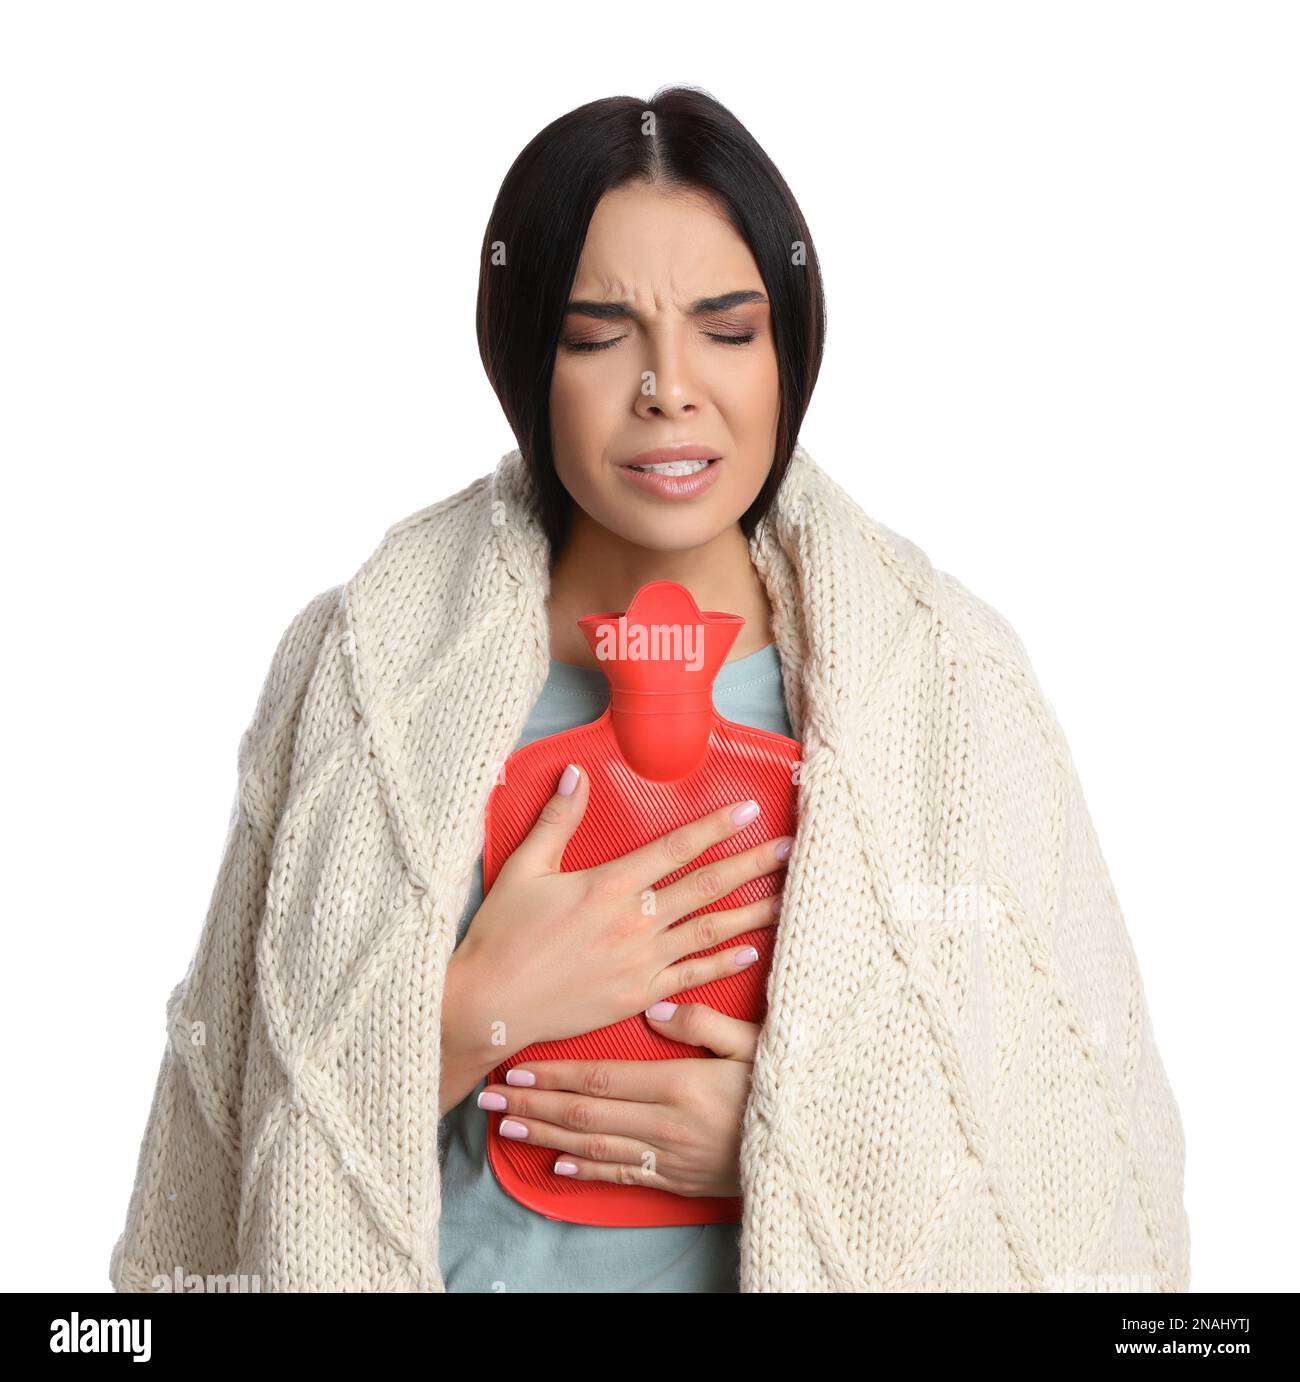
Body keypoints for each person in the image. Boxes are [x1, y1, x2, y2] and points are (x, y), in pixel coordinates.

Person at [109, 86, 1190, 1293]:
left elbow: (1061, 1151)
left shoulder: (948, 690)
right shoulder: (359, 679)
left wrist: (781, 1147)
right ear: (524, 356)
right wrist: (474, 1013)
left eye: (728, 331)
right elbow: (235, 1138)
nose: (669, 387)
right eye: (595, 334)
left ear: (789, 353)